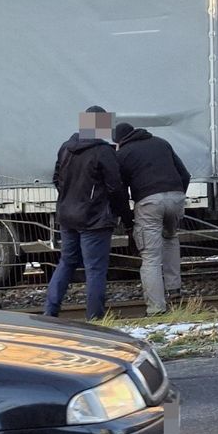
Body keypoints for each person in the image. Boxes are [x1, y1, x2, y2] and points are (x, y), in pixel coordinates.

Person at [45, 106, 131, 320]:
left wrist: (69, 198)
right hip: (94, 218)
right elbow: (115, 186)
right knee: (95, 269)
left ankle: (50, 310)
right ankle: (95, 316)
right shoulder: (103, 151)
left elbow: (57, 178)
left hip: (67, 215)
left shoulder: (66, 147)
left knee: (66, 261)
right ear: (101, 126)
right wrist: (124, 215)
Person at [113, 122, 191, 316]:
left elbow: (119, 189)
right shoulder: (161, 143)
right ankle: (174, 290)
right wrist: (177, 196)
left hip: (149, 202)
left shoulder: (122, 154)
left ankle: (156, 308)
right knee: (171, 238)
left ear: (119, 141)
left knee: (150, 257)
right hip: (176, 196)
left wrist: (127, 216)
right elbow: (185, 174)